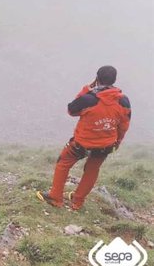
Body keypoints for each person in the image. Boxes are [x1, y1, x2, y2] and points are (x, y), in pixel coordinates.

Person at [37, 66, 131, 210]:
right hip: (106, 145)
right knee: (92, 170)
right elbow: (124, 125)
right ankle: (77, 202)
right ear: (114, 80)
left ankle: (56, 198)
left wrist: (87, 89)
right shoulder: (123, 101)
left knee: (63, 163)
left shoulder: (89, 98)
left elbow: (71, 110)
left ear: (97, 78)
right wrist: (117, 142)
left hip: (82, 144)